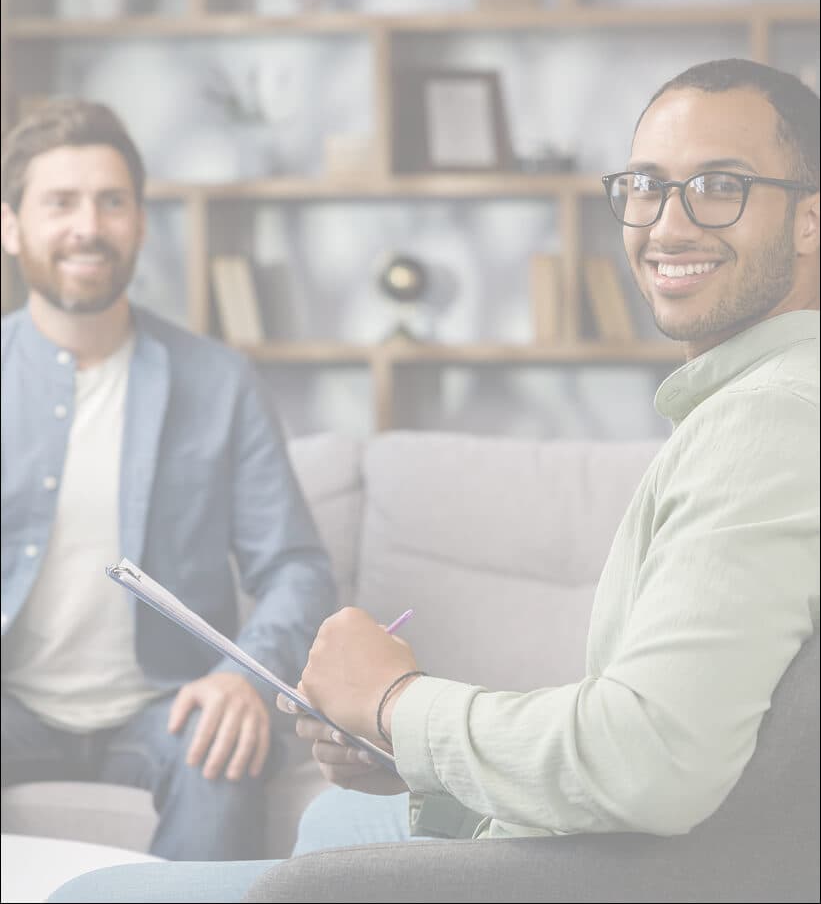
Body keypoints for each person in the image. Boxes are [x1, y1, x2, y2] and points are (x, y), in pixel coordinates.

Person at [48, 57, 819, 902]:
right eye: (645, 185)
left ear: (809, 220)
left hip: (653, 872)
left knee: (95, 891)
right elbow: (671, 733)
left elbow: (647, 758)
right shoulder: (736, 407)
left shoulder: (769, 419)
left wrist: (395, 702)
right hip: (657, 842)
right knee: (334, 821)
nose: (667, 224)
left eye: (717, 184)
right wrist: (411, 747)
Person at [0, 99, 337, 862]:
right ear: (11, 226)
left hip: (170, 705)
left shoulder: (219, 381)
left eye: (111, 201)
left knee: (222, 753)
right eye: (61, 203)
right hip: (11, 704)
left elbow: (296, 569)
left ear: (140, 223)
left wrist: (242, 678)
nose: (88, 225)